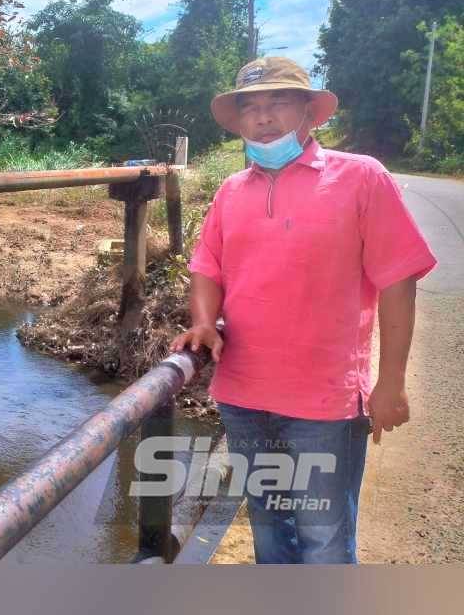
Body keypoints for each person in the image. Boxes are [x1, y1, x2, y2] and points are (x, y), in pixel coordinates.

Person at [169, 56, 438, 563]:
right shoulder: (230, 192)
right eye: (251, 107)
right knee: (271, 531)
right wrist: (204, 322)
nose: (263, 117)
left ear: (310, 114)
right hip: (244, 396)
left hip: (325, 404)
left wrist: (391, 382)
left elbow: (399, 281)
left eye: (278, 102)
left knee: (324, 540)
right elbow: (208, 266)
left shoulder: (360, 178)